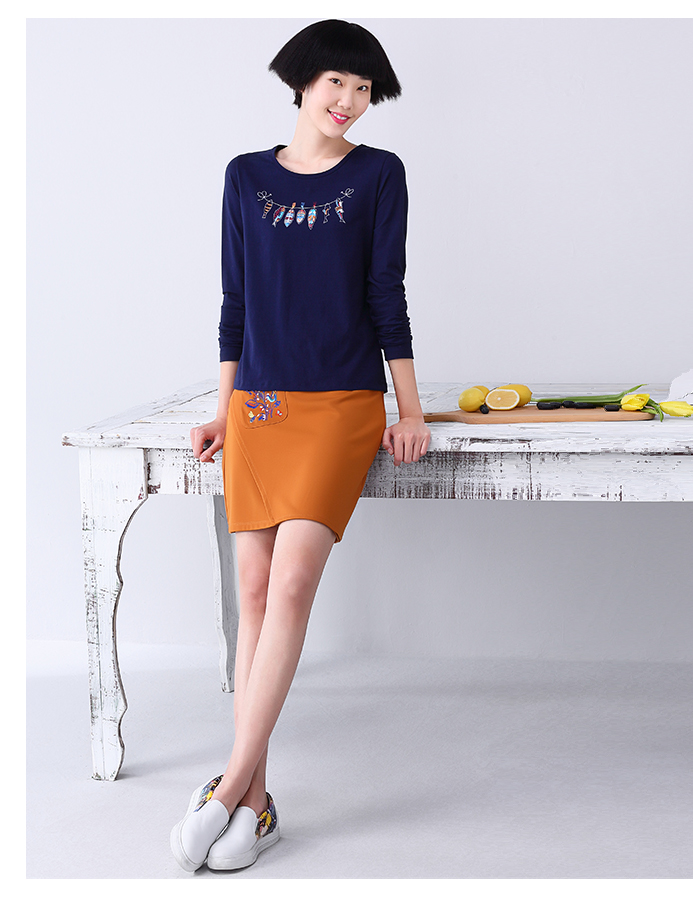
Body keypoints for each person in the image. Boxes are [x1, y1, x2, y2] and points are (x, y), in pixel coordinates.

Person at [171, 19, 431, 873]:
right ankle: (257, 805)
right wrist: (223, 409)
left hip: (342, 405)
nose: (350, 101)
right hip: (258, 407)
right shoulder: (245, 177)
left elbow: (386, 292)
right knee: (252, 592)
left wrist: (408, 409)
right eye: (337, 83)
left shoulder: (378, 174)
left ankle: (224, 788)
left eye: (364, 89)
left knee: (289, 584)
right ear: (302, 82)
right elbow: (235, 302)